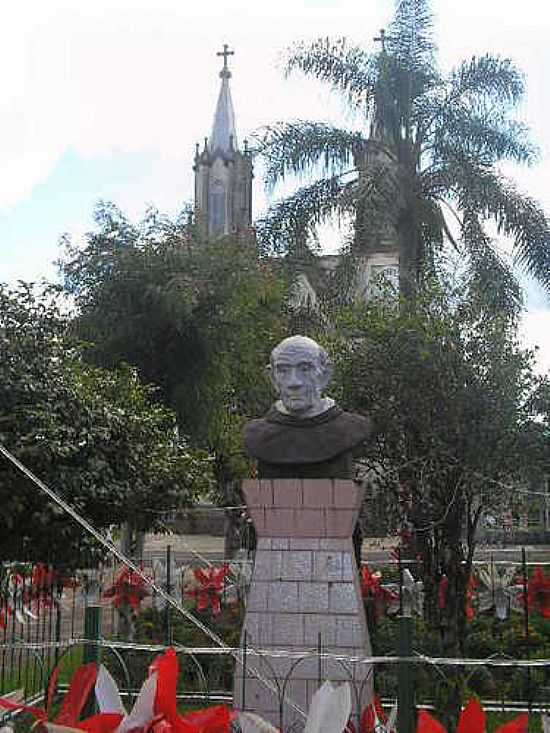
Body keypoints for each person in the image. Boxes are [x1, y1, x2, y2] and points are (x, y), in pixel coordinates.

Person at [243, 335, 372, 479]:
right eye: (283, 370)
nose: (294, 382)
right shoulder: (257, 435)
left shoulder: (350, 429)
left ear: (325, 375)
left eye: (305, 369)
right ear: (272, 378)